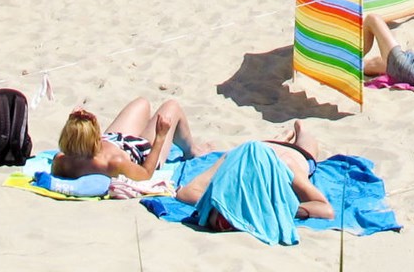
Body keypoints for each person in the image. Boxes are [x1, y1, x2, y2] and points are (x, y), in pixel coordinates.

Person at [174, 120, 334, 231]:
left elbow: (325, 208)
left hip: (296, 154)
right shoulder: (233, 159)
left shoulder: (286, 167)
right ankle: (283, 137)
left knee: (308, 146)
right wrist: (221, 203)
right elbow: (185, 192)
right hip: (260, 146)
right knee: (266, 144)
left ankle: (301, 128)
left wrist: (284, 209)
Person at [52, 98, 199, 181]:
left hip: (113, 140)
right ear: (94, 138)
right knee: (172, 106)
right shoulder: (114, 163)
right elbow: (146, 174)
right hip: (142, 150)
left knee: (143, 103)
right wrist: (160, 136)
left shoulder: (61, 160)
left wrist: (76, 121)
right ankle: (191, 150)